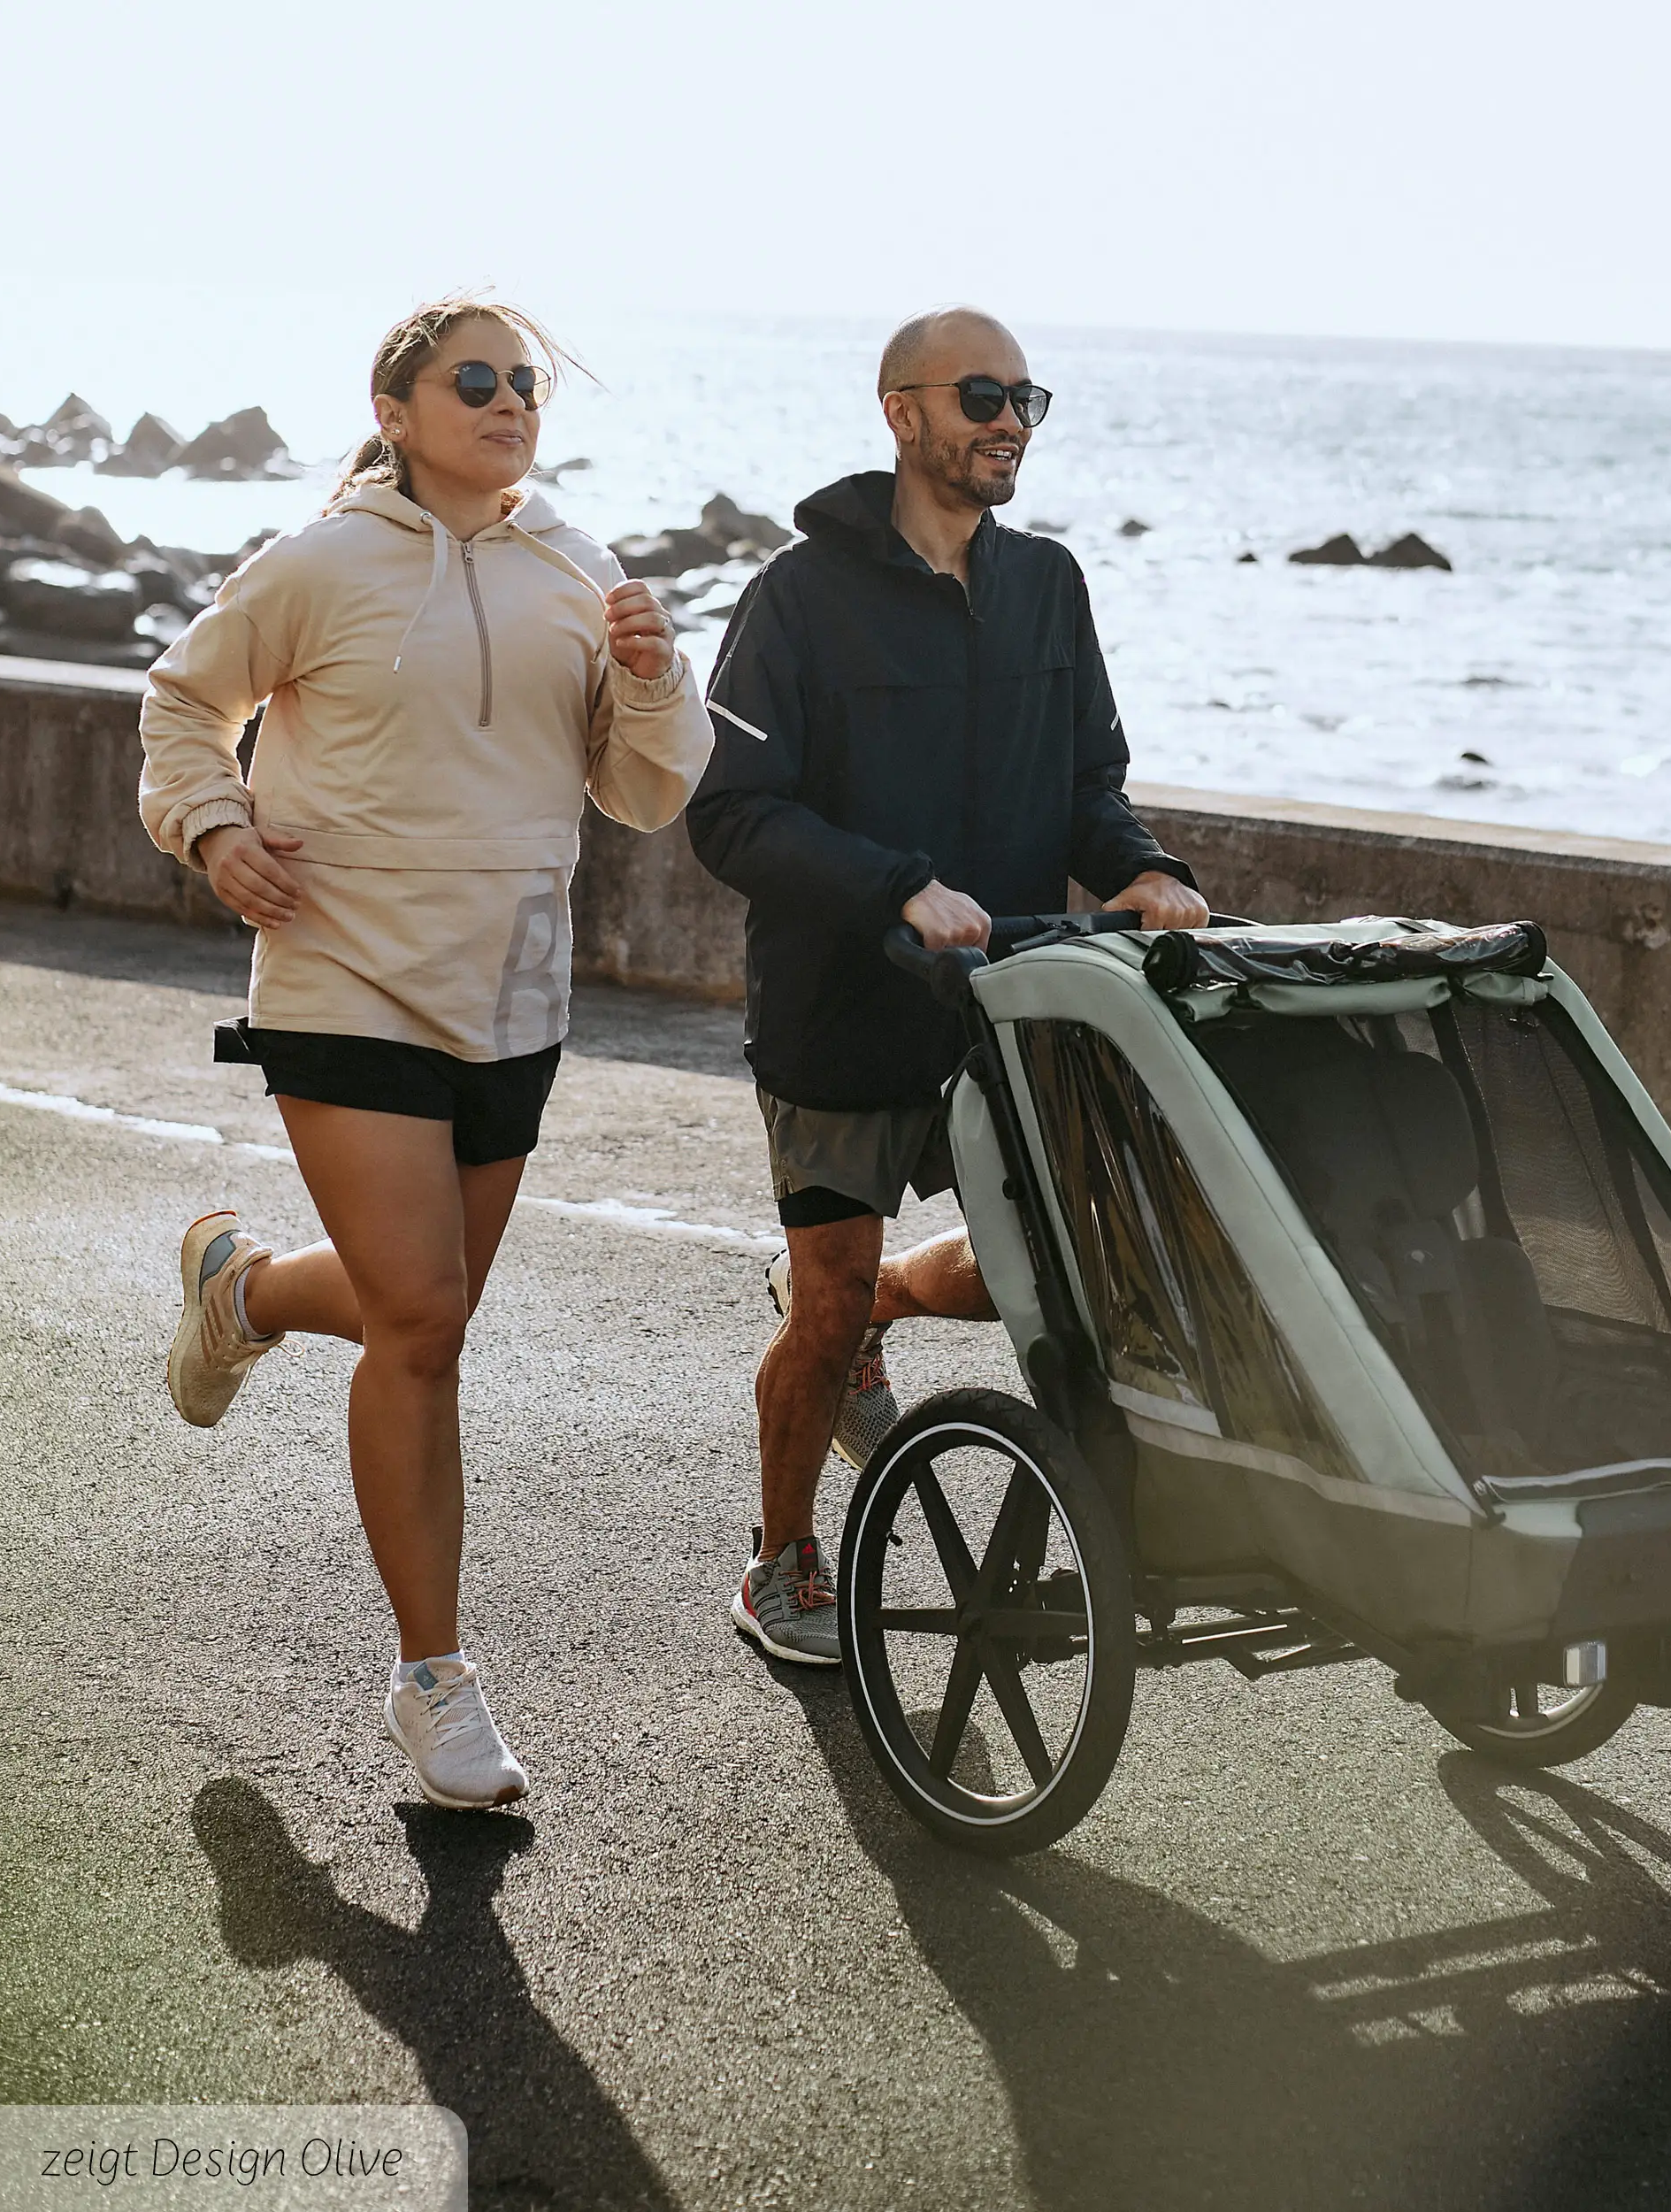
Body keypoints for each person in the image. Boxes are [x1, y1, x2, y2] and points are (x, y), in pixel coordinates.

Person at [140, 296, 713, 1807]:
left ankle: (245, 1292)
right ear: (394, 406)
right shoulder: (320, 562)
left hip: (514, 991)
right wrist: (210, 824)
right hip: (341, 973)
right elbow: (183, 700)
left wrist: (656, 680)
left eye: (526, 382)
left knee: (427, 1312)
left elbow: (648, 792)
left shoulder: (579, 570)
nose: (510, 400)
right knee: (424, 1322)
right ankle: (435, 1680)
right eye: (476, 379)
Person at [687, 305, 1209, 1665]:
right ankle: (781, 1560)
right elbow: (731, 815)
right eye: (982, 394)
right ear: (900, 410)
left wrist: (1147, 870)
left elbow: (1093, 787)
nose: (1008, 421)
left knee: (1051, 1267)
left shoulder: (1050, 585)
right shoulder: (798, 597)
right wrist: (896, 886)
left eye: (1028, 400)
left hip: (1018, 1005)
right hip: (844, 1012)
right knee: (821, 1293)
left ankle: (886, 1315)